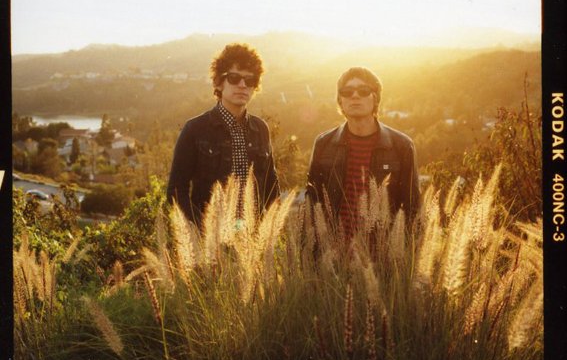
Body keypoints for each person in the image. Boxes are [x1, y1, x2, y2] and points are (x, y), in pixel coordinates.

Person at [167, 43, 280, 225]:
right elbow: (176, 190)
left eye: (249, 80)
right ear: (219, 82)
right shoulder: (195, 130)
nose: (242, 85)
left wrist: (270, 226)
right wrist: (201, 231)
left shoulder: (260, 129)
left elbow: (271, 185)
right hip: (211, 234)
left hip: (253, 235)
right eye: (234, 78)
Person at [306, 66, 420, 237]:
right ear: (340, 101)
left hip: (383, 251)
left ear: (375, 98)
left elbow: (412, 208)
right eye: (347, 92)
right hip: (333, 252)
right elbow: (312, 204)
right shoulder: (324, 144)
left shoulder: (402, 147)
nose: (355, 96)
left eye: (363, 91)